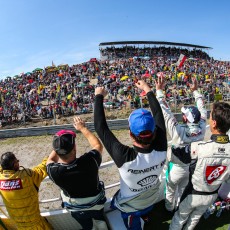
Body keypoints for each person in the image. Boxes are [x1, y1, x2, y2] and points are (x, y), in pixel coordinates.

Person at [94, 80, 167, 230]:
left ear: (130, 134)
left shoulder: (124, 157)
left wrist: (99, 96)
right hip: (151, 197)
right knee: (146, 210)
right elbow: (159, 114)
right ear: (154, 133)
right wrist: (147, 88)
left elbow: (100, 128)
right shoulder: (162, 147)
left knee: (132, 224)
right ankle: (146, 217)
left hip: (131, 206)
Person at [169, 102, 230, 230]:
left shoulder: (200, 148)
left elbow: (172, 156)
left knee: (179, 218)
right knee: (194, 219)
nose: (208, 118)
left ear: (213, 123)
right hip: (212, 196)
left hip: (193, 194)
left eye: (211, 116)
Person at [156, 75, 207, 212]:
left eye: (184, 114)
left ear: (185, 118)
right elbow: (203, 109)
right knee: (184, 188)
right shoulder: (202, 127)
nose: (182, 115)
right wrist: (196, 91)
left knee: (170, 189)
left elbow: (166, 112)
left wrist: (159, 91)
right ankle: (179, 207)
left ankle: (169, 209)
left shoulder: (177, 130)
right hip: (192, 167)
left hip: (177, 167)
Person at [46, 116, 107, 230]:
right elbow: (97, 146)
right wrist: (82, 128)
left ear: (57, 152)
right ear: (74, 149)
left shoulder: (54, 172)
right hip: (96, 204)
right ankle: (101, 225)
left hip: (75, 208)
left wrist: (59, 144)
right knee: (99, 218)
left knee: (86, 225)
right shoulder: (90, 161)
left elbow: (50, 160)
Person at [0, 152, 52, 230]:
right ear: (15, 165)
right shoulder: (27, 176)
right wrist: (47, 158)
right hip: (37, 225)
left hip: (19, 227)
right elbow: (41, 169)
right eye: (17, 161)